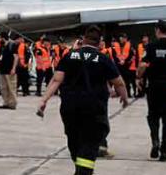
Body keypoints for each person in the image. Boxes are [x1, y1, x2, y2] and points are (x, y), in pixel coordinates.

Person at [38, 26, 129, 175]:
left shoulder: (69, 56)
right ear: (99, 42)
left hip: (70, 108)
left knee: (75, 141)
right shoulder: (103, 59)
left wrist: (44, 100)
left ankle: (80, 169)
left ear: (83, 39)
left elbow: (56, 79)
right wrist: (124, 98)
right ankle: (83, 171)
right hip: (94, 109)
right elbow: (119, 83)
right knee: (90, 144)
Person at [136, 21, 166, 162]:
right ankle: (164, 151)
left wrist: (139, 77)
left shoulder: (151, 47)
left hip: (155, 85)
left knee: (153, 116)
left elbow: (143, 65)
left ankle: (155, 140)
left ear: (157, 30)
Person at [0, 33, 20, 109]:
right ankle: (6, 102)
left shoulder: (12, 45)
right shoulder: (1, 46)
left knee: (11, 87)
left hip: (9, 70)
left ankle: (12, 103)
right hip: (2, 70)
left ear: (3, 38)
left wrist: (13, 68)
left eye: (0, 38)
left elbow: (16, 57)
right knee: (3, 87)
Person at [112, 33, 136, 97]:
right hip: (118, 65)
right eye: (121, 37)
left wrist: (125, 62)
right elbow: (114, 55)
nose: (122, 39)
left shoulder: (130, 45)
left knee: (127, 81)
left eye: (124, 37)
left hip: (126, 66)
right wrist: (119, 61)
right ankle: (118, 93)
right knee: (118, 81)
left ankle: (128, 93)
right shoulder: (115, 45)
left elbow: (131, 55)